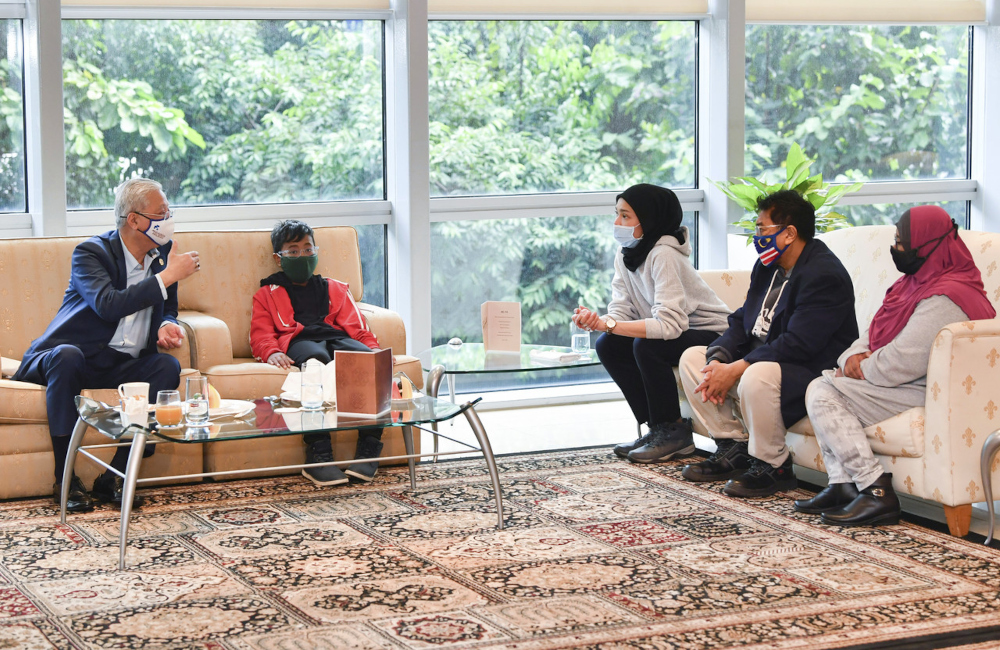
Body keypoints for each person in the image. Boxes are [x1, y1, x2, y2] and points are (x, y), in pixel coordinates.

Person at [799, 207, 996, 526]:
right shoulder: (911, 284)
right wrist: (851, 358)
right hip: (894, 382)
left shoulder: (947, 297)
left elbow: (905, 361)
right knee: (822, 385)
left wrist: (860, 368)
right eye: (896, 240)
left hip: (924, 391)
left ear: (928, 244)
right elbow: (872, 332)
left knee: (823, 393)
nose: (897, 249)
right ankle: (842, 485)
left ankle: (876, 491)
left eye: (903, 243)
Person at [13, 178, 199, 512]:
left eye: (168, 210)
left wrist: (167, 324)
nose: (169, 217)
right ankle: (65, 479)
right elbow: (108, 305)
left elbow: (166, 305)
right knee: (67, 356)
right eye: (162, 212)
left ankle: (114, 477)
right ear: (135, 220)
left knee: (166, 366)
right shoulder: (90, 253)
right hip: (67, 356)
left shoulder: (162, 254)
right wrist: (168, 276)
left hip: (118, 362)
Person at [678, 189, 858, 498]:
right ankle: (733, 447)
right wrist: (719, 358)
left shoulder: (823, 274)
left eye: (762, 229)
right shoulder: (767, 266)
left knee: (756, 374)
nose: (757, 235)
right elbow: (743, 318)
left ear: (789, 233)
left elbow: (799, 343)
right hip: (765, 357)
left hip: (808, 368)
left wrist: (738, 367)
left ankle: (773, 465)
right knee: (693, 359)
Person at [573, 184, 731, 463]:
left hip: (713, 334)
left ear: (649, 219)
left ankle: (673, 432)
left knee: (647, 348)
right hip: (679, 330)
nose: (616, 223)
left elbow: (670, 326)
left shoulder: (664, 255)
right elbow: (622, 310)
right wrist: (599, 322)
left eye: (625, 216)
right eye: (617, 214)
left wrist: (608, 325)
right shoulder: (627, 254)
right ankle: (654, 428)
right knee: (608, 344)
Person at [250, 220, 386, 486]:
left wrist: (374, 349)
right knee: (316, 362)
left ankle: (368, 449)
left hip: (336, 337)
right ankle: (319, 455)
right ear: (279, 259)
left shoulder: (335, 288)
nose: (302, 255)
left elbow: (357, 328)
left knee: (367, 362)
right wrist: (271, 352)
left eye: (307, 248)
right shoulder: (266, 293)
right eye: (293, 250)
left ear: (316, 251)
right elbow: (260, 333)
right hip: (300, 340)